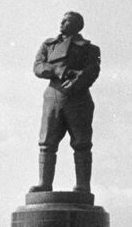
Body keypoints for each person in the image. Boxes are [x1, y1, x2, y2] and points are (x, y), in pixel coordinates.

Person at [30, 11, 101, 195]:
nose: (62, 23)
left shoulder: (90, 49)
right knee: (47, 142)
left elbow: (92, 71)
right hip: (53, 96)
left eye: (67, 20)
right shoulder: (49, 45)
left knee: (82, 143)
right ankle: (44, 183)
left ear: (78, 24)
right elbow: (38, 66)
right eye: (61, 19)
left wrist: (77, 81)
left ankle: (83, 186)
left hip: (78, 98)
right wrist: (56, 70)